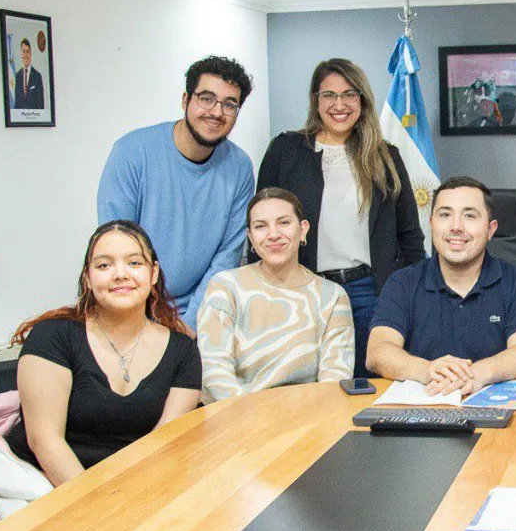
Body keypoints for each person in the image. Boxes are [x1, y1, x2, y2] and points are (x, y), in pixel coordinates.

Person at [256, 58, 422, 378]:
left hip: (368, 293)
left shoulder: (385, 157)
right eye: (328, 95)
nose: (339, 105)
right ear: (315, 101)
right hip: (302, 290)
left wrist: (417, 298)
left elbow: (410, 236)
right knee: (305, 389)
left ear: (362, 100)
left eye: (349, 94)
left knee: (365, 388)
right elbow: (261, 226)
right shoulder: (285, 150)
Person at [10, 221, 201, 486]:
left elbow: (162, 445)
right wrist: (96, 508)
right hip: (43, 483)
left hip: (134, 485)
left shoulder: (183, 350)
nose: (120, 274)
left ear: (153, 273)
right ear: (88, 278)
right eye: (104, 265)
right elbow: (45, 441)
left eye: (135, 263)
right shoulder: (53, 336)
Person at [98, 55, 255, 329]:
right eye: (206, 98)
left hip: (201, 316)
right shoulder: (132, 153)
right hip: (131, 311)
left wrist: (189, 325)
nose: (217, 112)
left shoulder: (240, 167)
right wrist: (150, 325)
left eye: (230, 104)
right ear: (186, 100)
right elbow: (116, 248)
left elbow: (226, 256)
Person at [368, 176, 516, 396]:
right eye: (445, 215)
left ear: (491, 229)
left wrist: (474, 376)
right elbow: (377, 352)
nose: (456, 227)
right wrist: (428, 369)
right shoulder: (402, 282)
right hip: (422, 408)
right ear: (432, 225)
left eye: (469, 215)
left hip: (497, 411)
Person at [197, 188, 354, 402]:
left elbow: (333, 382)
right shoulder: (226, 286)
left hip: (308, 421)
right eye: (261, 226)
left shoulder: (333, 296)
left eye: (284, 222)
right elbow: (215, 371)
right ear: (250, 237)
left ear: (303, 229)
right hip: (235, 420)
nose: (273, 234)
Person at [12, 38, 44, 109]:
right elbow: (17, 102)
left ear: (31, 53)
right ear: (21, 54)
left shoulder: (37, 76)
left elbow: (41, 104)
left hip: (35, 117)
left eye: (27, 51)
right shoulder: (17, 76)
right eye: (23, 51)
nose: (25, 55)